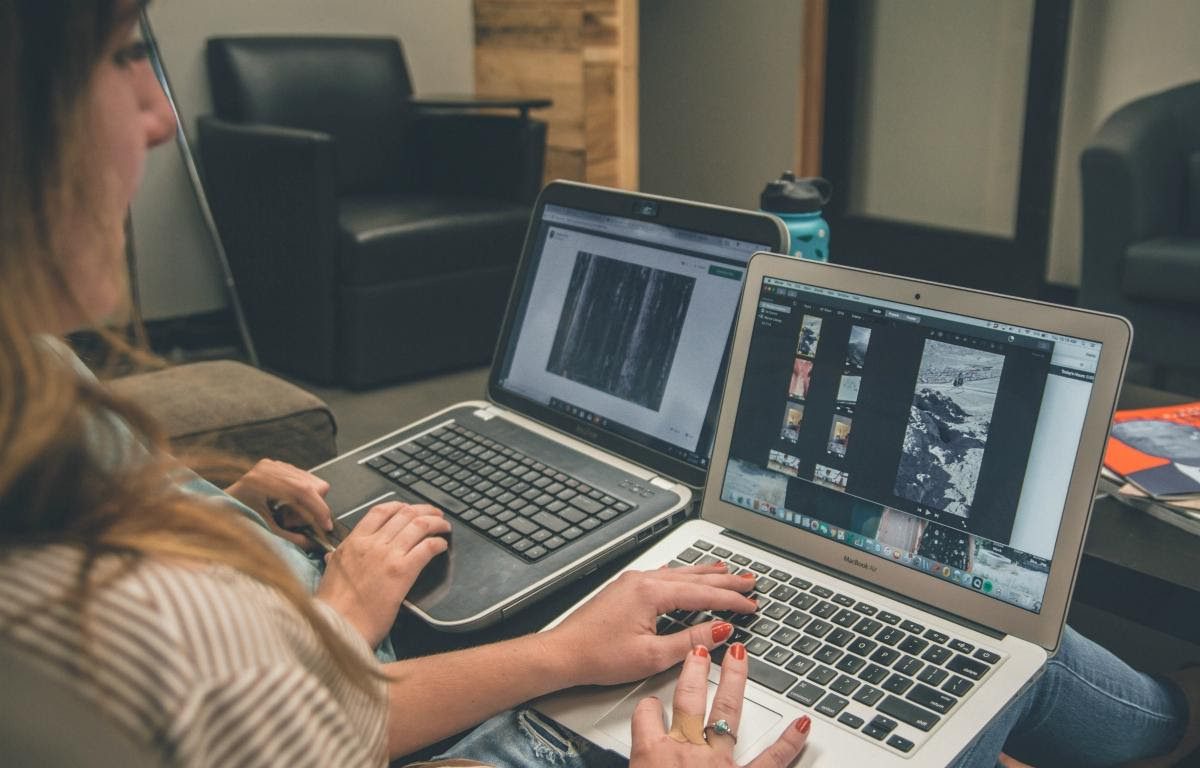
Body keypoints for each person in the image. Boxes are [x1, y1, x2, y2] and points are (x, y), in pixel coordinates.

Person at [0, 3, 1195, 766]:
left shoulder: (31, 390)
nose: (161, 114)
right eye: (121, 57)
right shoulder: (97, 628)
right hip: (480, 715)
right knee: (994, 656)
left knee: (951, 633)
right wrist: (509, 648)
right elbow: (311, 730)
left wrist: (205, 477)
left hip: (365, 621)